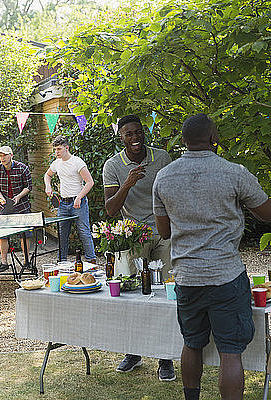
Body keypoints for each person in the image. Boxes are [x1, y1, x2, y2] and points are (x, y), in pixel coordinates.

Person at [153, 114, 271, 400]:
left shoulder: (164, 176)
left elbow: (164, 231)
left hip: (187, 277)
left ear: (183, 141)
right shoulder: (234, 172)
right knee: (230, 351)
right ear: (214, 139)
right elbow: (267, 214)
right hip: (225, 276)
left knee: (192, 343)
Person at [102, 114, 175, 380]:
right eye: (128, 134)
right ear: (121, 137)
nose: (135, 138)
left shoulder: (162, 158)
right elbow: (111, 210)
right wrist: (128, 183)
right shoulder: (112, 166)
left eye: (138, 132)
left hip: (164, 232)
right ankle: (133, 351)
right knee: (133, 295)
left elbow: (173, 192)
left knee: (167, 294)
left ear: (144, 133)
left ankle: (166, 358)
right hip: (135, 236)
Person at [44, 135, 97, 263]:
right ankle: (62, 262)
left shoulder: (77, 162)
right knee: (62, 234)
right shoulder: (56, 163)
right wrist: (48, 186)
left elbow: (90, 182)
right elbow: (47, 175)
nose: (56, 152)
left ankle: (92, 261)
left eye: (59, 149)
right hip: (63, 203)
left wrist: (79, 197)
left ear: (66, 148)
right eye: (55, 149)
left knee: (84, 232)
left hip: (79, 203)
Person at [0, 145, 33, 272]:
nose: (2, 158)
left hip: (21, 205)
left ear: (11, 155)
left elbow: (28, 186)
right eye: (0, 156)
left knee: (24, 234)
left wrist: (18, 196)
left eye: (5, 155)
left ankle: (26, 261)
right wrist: (2, 198)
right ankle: (4, 262)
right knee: (2, 235)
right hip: (3, 205)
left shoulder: (22, 168)